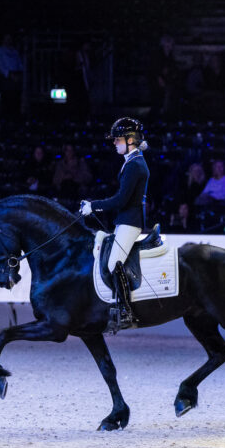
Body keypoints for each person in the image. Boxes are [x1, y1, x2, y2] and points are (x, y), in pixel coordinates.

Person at [79, 117, 150, 332]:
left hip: (130, 222)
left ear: (131, 140)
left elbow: (121, 200)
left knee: (113, 264)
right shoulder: (131, 161)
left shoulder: (135, 165)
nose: (114, 143)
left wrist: (94, 206)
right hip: (125, 220)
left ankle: (126, 311)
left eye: (118, 140)